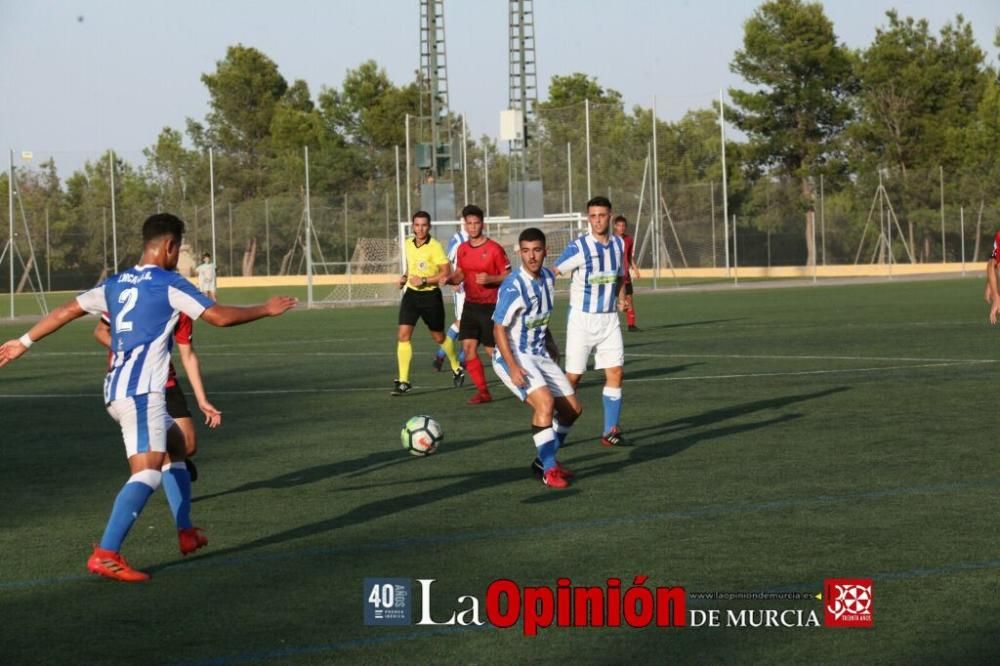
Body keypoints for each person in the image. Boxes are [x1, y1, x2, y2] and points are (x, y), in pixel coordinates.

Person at [0, 213, 296, 582]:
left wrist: (23, 342)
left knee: (178, 446)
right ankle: (106, 553)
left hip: (118, 388)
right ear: (170, 246)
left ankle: (186, 530)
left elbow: (65, 311)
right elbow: (218, 316)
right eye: (179, 248)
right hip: (141, 393)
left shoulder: (114, 282)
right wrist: (265, 309)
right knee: (147, 474)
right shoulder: (168, 282)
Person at [493, 228, 583, 489]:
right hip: (515, 356)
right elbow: (498, 328)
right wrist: (512, 367)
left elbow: (540, 316)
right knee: (544, 404)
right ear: (519, 252)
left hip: (539, 353)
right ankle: (549, 470)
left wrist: (551, 341)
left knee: (572, 410)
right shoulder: (513, 285)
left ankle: (545, 460)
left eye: (536, 250)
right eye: (525, 251)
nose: (531, 256)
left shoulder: (547, 277)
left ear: (545, 251)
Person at [95, 311, 221, 482]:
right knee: (148, 461)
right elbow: (101, 331)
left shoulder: (181, 305)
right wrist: (129, 349)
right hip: (132, 384)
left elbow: (188, 354)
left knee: (187, 446)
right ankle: (162, 478)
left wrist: (202, 399)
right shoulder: (133, 290)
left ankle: (169, 467)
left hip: (165, 381)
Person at [555, 196, 629, 447]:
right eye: (593, 216)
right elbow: (554, 271)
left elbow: (619, 276)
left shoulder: (619, 244)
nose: (598, 220)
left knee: (616, 372)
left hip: (609, 319)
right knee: (573, 379)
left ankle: (610, 431)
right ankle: (556, 432)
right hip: (581, 320)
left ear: (610, 216)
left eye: (602, 215)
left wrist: (621, 299)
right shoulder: (579, 247)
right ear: (588, 218)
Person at [394, 210, 464, 396]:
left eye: (424, 225)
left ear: (429, 226)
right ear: (413, 226)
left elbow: (446, 272)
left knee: (439, 338)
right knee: (403, 335)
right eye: (417, 225)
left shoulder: (435, 247)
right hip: (411, 295)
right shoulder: (408, 243)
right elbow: (410, 267)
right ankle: (403, 381)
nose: (420, 229)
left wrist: (425, 281)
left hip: (431, 297)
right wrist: (404, 278)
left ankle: (456, 366)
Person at [447, 204, 511, 404]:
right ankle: (483, 392)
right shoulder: (462, 249)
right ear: (465, 225)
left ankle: (520, 383)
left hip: (491, 307)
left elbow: (509, 276)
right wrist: (449, 279)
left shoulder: (494, 249)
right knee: (468, 348)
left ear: (482, 224)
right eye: (469, 223)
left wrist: (491, 279)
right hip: (471, 306)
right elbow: (460, 274)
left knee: (493, 352)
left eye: (476, 223)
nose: (473, 227)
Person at [433, 225, 469, 372]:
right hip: (462, 287)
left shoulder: (481, 239)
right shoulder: (458, 239)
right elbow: (447, 261)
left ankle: (461, 357)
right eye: (469, 221)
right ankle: (443, 355)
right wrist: (452, 279)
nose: (473, 224)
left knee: (474, 324)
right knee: (463, 323)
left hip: (478, 287)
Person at [613, 215, 641, 332]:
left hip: (625, 275)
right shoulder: (610, 239)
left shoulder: (629, 239)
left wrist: (635, 268)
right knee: (611, 300)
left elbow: (629, 256)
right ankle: (611, 325)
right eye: (619, 225)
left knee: (629, 298)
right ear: (615, 226)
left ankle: (631, 325)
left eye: (623, 226)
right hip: (613, 275)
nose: (621, 228)